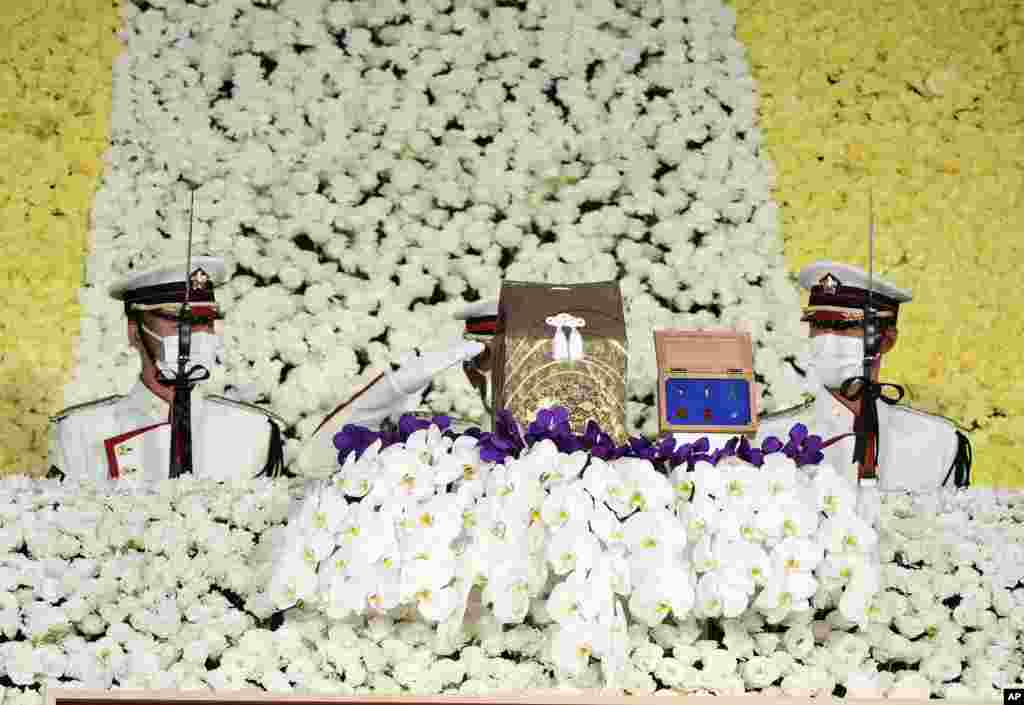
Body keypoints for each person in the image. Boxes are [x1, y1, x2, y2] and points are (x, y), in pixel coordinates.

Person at [49, 256, 285, 484]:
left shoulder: (253, 432)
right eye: (178, 321)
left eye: (205, 321)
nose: (195, 334)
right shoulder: (79, 432)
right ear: (134, 332)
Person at [755, 261, 971, 492]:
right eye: (818, 324)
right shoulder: (767, 438)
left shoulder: (940, 443)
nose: (827, 339)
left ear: (887, 340)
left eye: (846, 326)